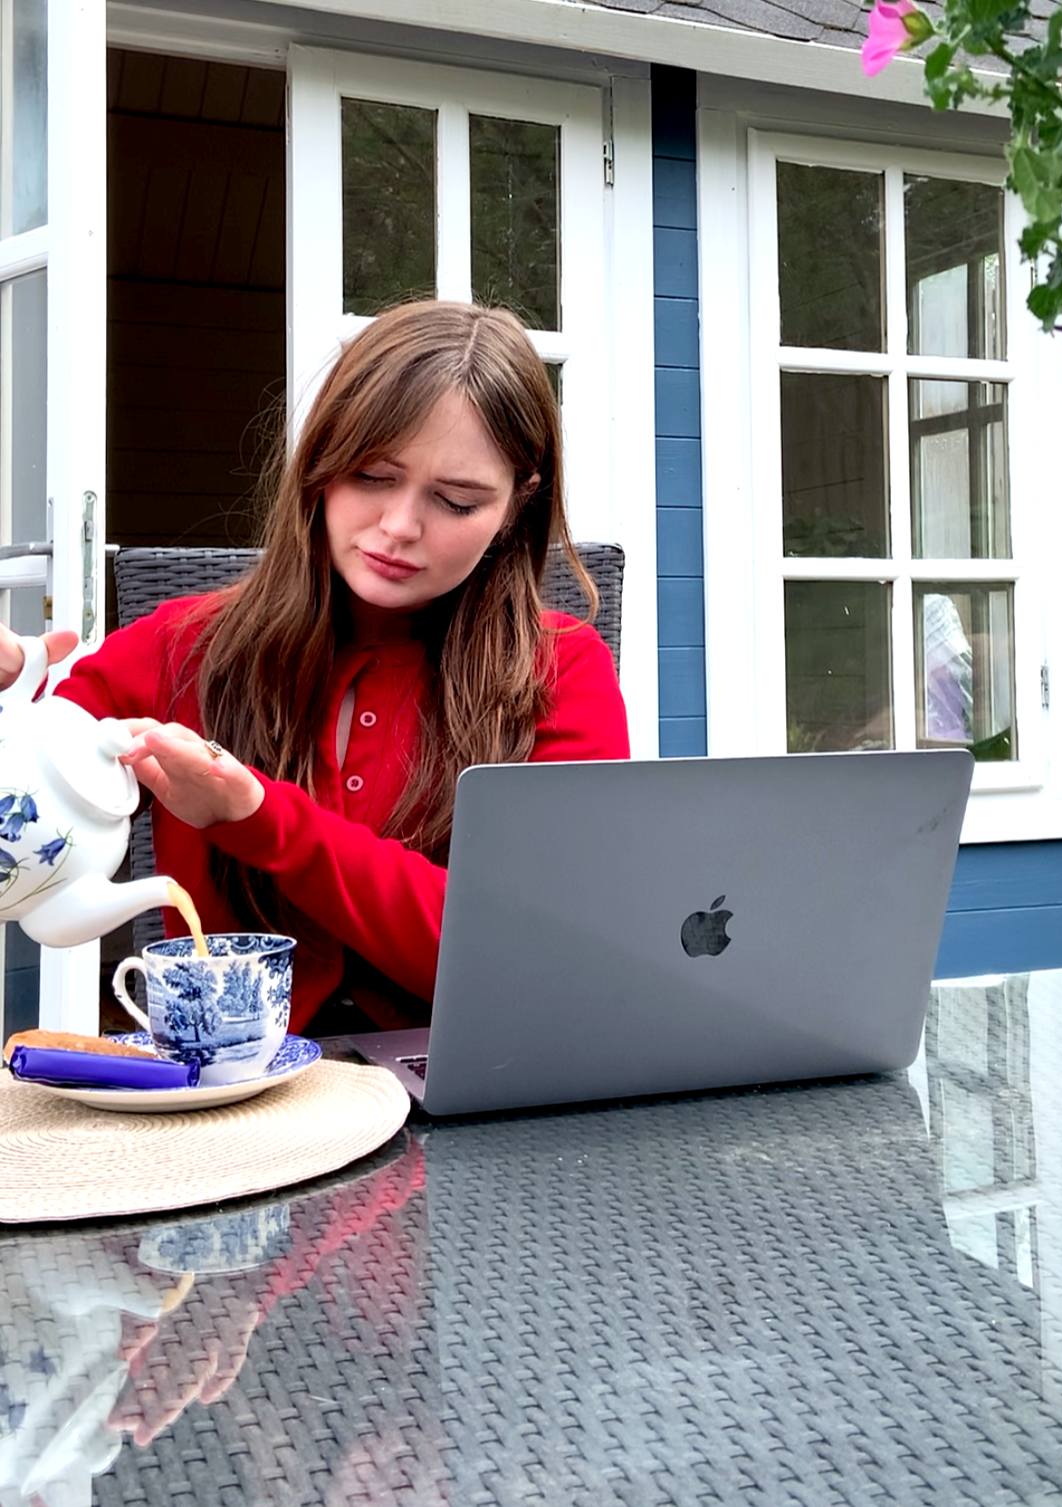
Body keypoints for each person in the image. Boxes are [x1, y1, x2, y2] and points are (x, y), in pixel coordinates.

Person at [0, 301, 630, 1033]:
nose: (399, 527)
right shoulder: (180, 648)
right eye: (370, 476)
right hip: (229, 1112)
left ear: (518, 504)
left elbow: (525, 954)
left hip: (472, 1113)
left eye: (456, 501)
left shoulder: (560, 672)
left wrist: (260, 817)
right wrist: (16, 707)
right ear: (320, 463)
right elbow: (36, 809)